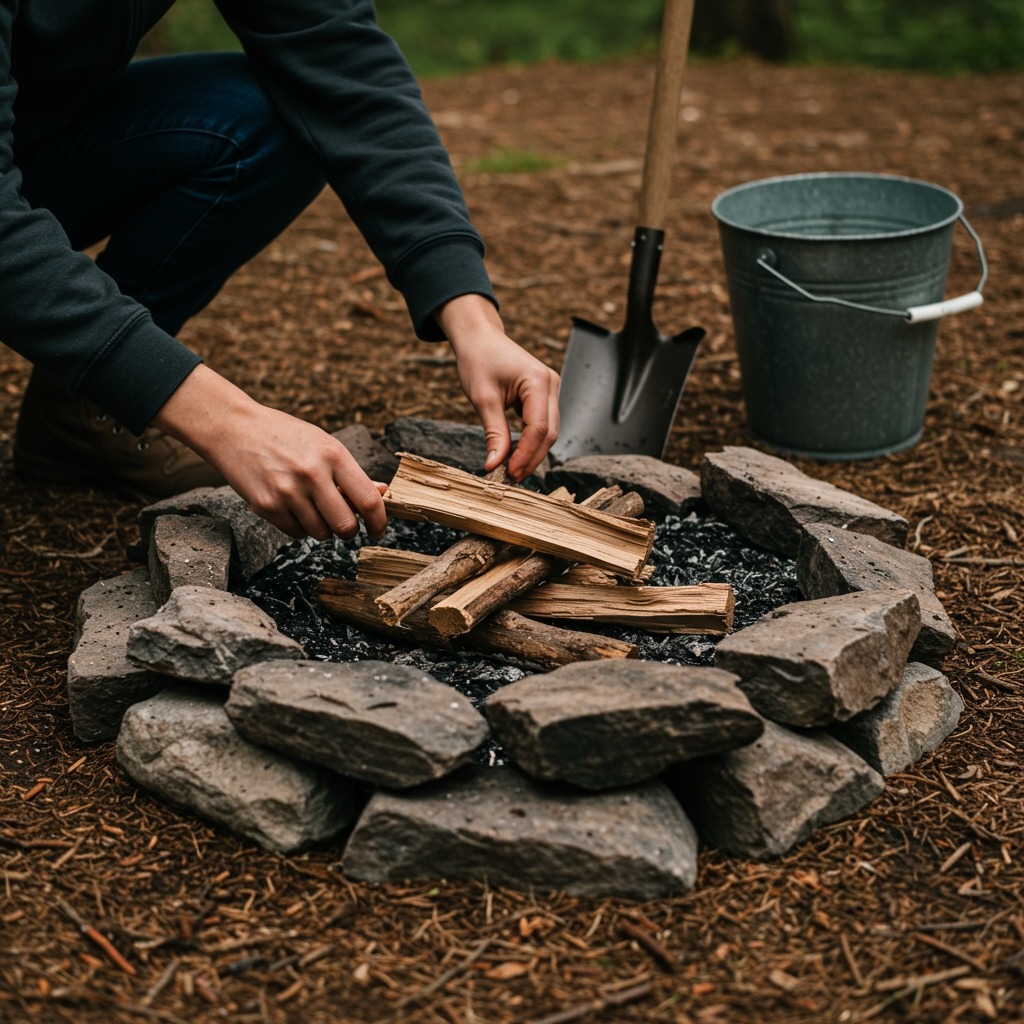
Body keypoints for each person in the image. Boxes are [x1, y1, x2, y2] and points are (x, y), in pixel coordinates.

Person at [1, 1, 560, 543]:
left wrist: (471, 316)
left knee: (265, 115)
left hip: (31, 142)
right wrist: (227, 421)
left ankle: (84, 411)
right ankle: (118, 385)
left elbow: (342, 65)